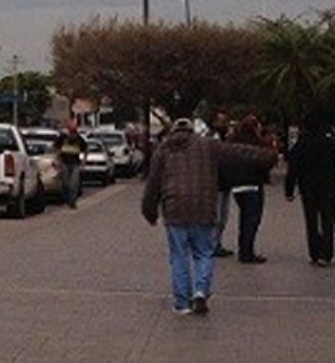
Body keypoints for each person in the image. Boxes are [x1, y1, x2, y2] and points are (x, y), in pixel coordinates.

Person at [142, 118, 275, 315]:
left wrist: (149, 211)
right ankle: (200, 292)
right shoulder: (209, 146)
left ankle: (182, 304)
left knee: (179, 256)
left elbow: (153, 183)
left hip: (174, 209)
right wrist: (268, 156)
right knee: (204, 253)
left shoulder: (163, 149)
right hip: (204, 208)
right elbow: (239, 152)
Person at [284, 119, 335, 266]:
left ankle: (314, 252)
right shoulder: (330, 143)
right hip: (327, 186)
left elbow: (293, 167)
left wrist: (289, 189)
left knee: (311, 220)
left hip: (307, 188)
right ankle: (326, 254)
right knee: (327, 220)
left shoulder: (302, 144)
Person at [224, 115, 272, 263]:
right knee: (252, 219)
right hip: (253, 184)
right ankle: (247, 252)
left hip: (237, 186)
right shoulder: (258, 143)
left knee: (244, 217)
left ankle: (243, 248)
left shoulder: (231, 141)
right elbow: (267, 162)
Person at [208, 112, 234, 258]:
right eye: (222, 121)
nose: (225, 124)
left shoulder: (227, 138)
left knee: (223, 217)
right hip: (215, 183)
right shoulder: (213, 138)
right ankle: (212, 245)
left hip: (225, 183)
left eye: (226, 121)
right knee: (216, 217)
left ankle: (217, 243)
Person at [54, 123, 88, 209]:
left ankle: (72, 201)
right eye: (71, 132)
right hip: (64, 163)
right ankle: (67, 197)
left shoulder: (79, 139)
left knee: (74, 183)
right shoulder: (62, 138)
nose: (72, 135)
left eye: (74, 132)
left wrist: (84, 161)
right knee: (65, 183)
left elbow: (86, 149)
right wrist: (57, 159)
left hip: (75, 164)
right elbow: (56, 148)